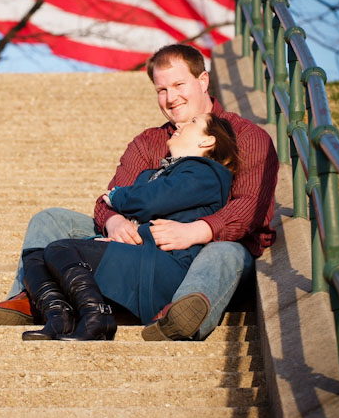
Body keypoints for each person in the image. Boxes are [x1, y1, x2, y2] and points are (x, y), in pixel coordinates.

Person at [0, 43, 279, 341]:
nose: (171, 98)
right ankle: (33, 297)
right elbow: (110, 197)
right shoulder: (148, 143)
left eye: (178, 84)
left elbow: (251, 208)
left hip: (206, 248)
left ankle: (181, 313)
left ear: (203, 81)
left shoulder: (247, 137)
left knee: (226, 252)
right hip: (144, 243)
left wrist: (197, 230)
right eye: (161, 90)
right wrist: (114, 222)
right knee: (51, 220)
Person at [21, 113, 238, 341]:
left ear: (208, 141)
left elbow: (150, 201)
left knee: (60, 250)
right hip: (139, 256)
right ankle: (59, 318)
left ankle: (97, 317)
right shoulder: (158, 174)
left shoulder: (206, 174)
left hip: (163, 267)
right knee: (36, 255)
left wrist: (116, 195)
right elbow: (141, 205)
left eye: (193, 122)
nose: (181, 124)